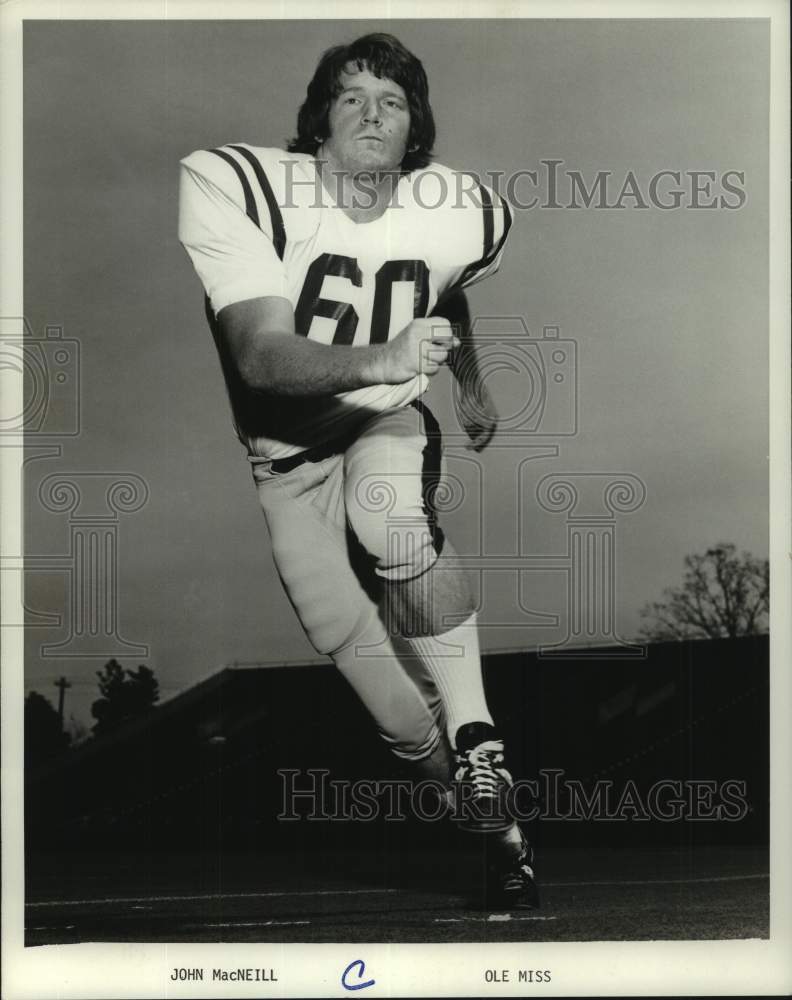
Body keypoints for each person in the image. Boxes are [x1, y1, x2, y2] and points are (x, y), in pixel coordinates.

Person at [179, 32, 538, 909]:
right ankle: (492, 828)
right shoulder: (243, 188)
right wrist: (383, 356)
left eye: (393, 100)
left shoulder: (456, 207)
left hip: (380, 424)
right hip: (285, 457)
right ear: (318, 121)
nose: (373, 113)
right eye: (352, 96)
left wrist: (472, 381)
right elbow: (263, 358)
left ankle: (480, 733)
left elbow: (442, 282)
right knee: (386, 704)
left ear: (417, 128)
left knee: (393, 522)